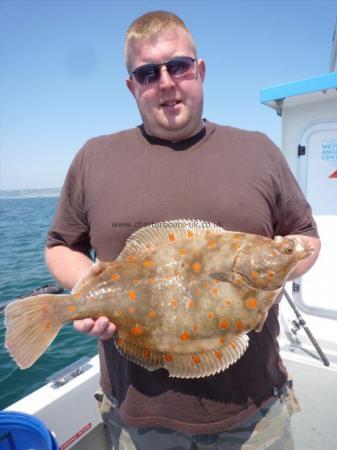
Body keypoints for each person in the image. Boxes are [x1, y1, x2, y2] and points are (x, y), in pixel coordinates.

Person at [45, 10, 320, 450]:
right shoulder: (94, 158)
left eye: (179, 66)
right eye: (148, 72)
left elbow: (305, 238)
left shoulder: (258, 151)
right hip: (137, 417)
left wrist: (283, 263)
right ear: (131, 85)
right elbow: (60, 245)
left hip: (254, 413)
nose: (167, 81)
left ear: (200, 70)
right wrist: (86, 287)